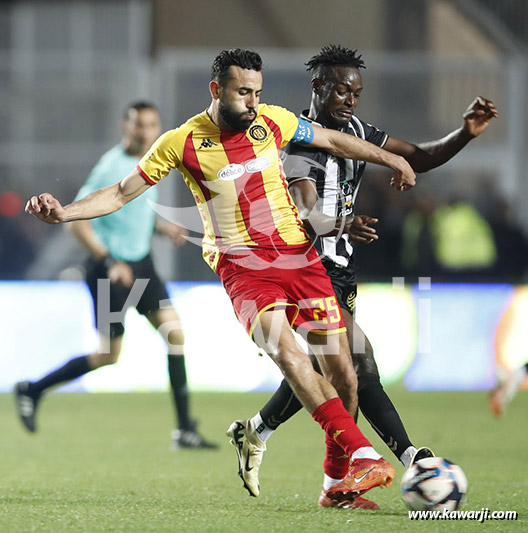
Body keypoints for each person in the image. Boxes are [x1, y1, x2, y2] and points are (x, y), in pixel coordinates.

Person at [25, 48, 418, 505]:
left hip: (299, 260)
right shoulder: (182, 141)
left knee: (345, 376)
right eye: (243, 92)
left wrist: (393, 159)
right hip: (244, 270)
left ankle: (335, 486)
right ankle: (363, 453)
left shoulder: (272, 121)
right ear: (216, 90)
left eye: (257, 92)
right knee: (290, 357)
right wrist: (65, 213)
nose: (252, 102)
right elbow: (118, 192)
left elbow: (332, 140)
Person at [226, 45, 498, 509]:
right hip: (304, 269)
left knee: (328, 372)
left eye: (356, 91)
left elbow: (418, 156)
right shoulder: (296, 139)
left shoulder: (355, 131)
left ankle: (264, 433)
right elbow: (307, 209)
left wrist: (465, 134)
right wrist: (338, 223)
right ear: (317, 87)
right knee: (358, 363)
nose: (350, 99)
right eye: (341, 89)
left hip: (342, 270)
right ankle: (411, 457)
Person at [15, 101, 217, 450]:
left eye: (152, 125)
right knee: (109, 354)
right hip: (110, 273)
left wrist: (160, 228)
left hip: (141, 265)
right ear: (125, 127)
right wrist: (109, 260)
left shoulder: (148, 161)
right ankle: (32, 389)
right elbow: (76, 226)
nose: (146, 132)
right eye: (139, 125)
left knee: (175, 335)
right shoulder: (111, 166)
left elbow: (131, 214)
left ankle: (184, 429)